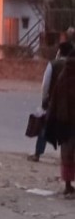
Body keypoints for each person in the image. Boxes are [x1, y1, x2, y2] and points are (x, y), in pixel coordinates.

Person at [29, 42, 73, 162]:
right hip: (71, 104)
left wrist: (44, 99)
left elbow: (45, 84)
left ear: (59, 51)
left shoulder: (53, 64)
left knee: (45, 126)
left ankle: (37, 153)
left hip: (54, 102)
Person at [45, 50, 75, 196]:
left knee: (67, 154)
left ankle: (68, 185)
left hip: (65, 121)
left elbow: (55, 98)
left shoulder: (63, 76)